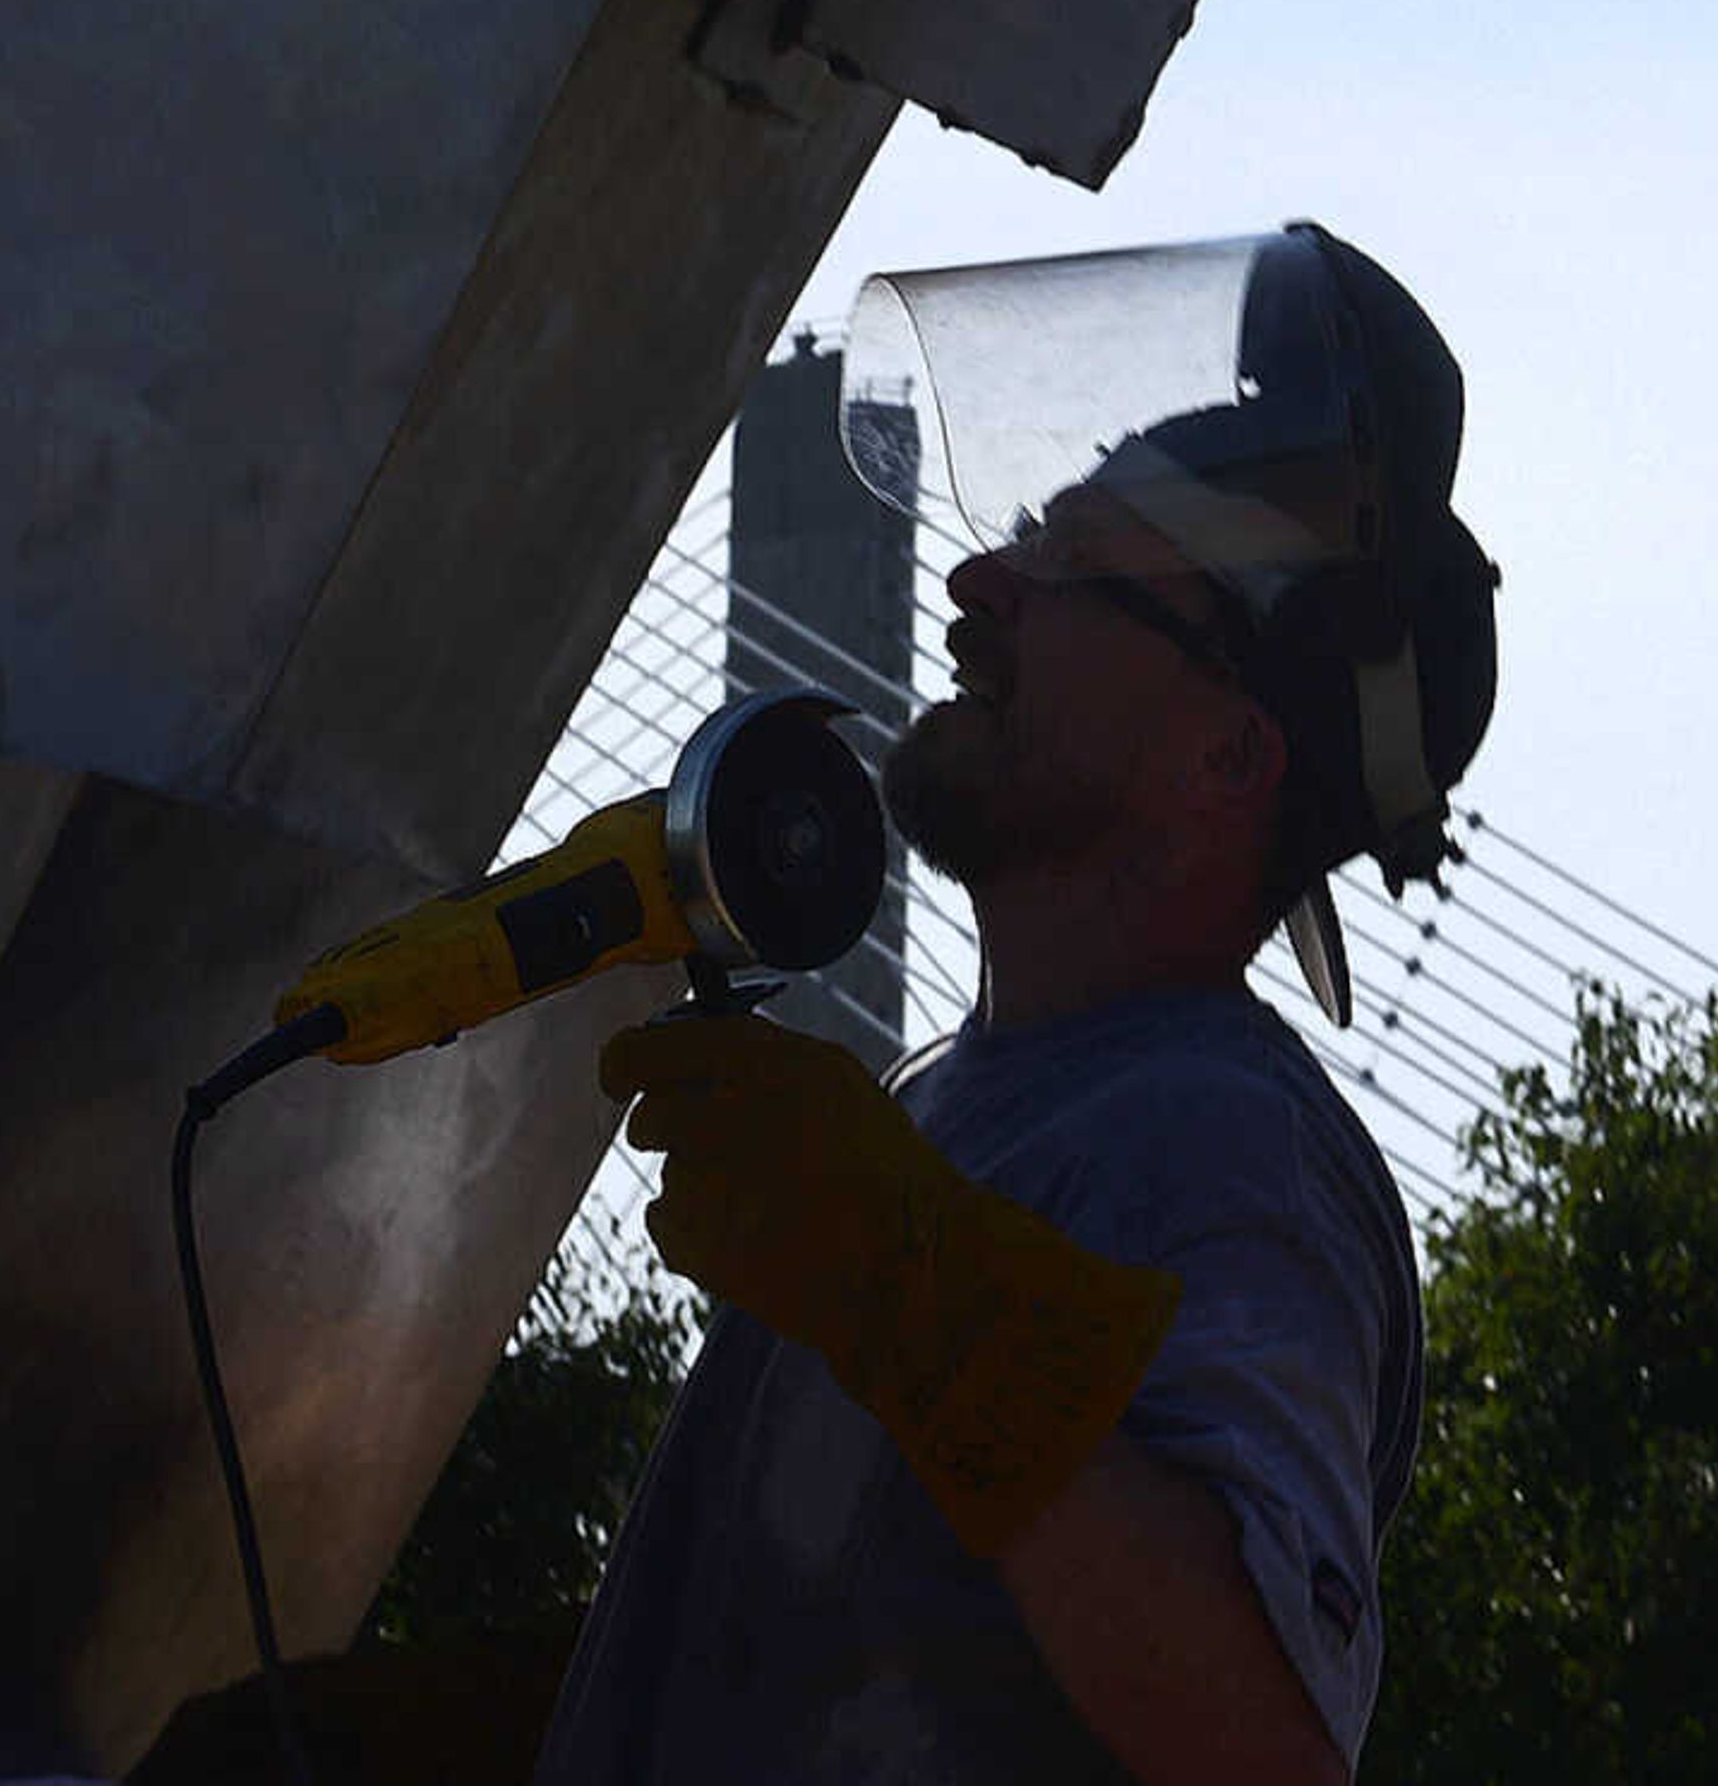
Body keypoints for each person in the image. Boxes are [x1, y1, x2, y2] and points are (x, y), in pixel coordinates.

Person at [534, 226, 1499, 1786]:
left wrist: (898, 1278)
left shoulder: (1221, 1150)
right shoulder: (945, 1110)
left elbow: (1259, 1750)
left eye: (1076, 565)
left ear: (1226, 757)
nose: (983, 583)